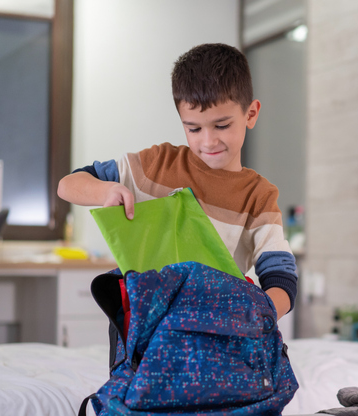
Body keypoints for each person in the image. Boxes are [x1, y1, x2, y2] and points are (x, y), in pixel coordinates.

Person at [57, 43, 297, 320]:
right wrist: (106, 189)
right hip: (148, 330)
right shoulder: (155, 165)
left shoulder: (257, 196)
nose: (208, 141)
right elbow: (68, 184)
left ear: (251, 114)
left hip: (214, 330)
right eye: (193, 128)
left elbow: (281, 276)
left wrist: (257, 318)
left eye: (222, 125)